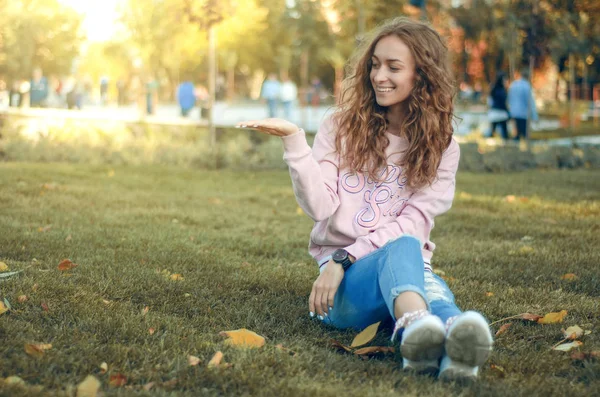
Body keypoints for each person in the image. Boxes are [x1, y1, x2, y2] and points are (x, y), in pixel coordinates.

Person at [236, 17, 493, 382]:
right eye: (374, 64)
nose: (378, 75)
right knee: (408, 253)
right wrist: (294, 142)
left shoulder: (442, 146)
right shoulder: (340, 126)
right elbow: (320, 207)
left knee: (417, 265)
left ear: (422, 75)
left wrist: (347, 255)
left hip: (395, 268)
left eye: (393, 67)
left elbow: (414, 223)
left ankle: (450, 354)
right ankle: (417, 330)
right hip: (342, 289)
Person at [508, 68, 538, 141]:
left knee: (517, 132)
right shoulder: (527, 86)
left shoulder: (513, 85)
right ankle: (524, 149)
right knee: (524, 133)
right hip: (523, 113)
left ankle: (516, 146)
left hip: (514, 112)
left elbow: (509, 99)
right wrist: (535, 116)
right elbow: (530, 102)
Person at [486, 72, 510, 141]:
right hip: (501, 113)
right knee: (504, 132)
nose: (506, 81)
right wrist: (508, 112)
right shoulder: (502, 91)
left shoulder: (493, 88)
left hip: (494, 112)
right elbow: (503, 103)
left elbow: (490, 101)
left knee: (492, 131)